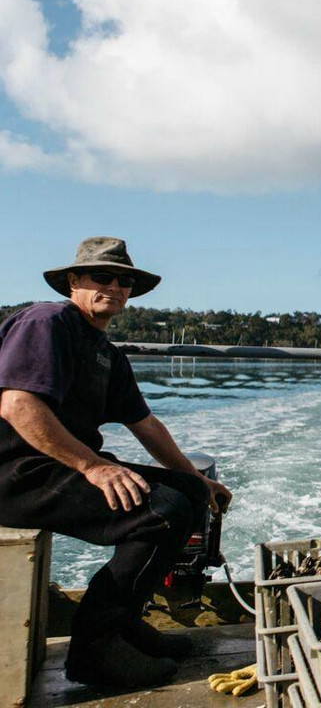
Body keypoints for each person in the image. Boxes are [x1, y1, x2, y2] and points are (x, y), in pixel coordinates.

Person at [0, 237, 233, 689]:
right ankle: (94, 650)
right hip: (15, 472)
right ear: (74, 281)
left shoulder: (106, 352)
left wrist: (195, 479)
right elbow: (18, 407)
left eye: (124, 280)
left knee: (185, 495)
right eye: (101, 276)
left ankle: (123, 623)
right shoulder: (47, 322)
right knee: (159, 516)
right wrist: (94, 467)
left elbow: (145, 424)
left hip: (54, 467)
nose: (114, 286)